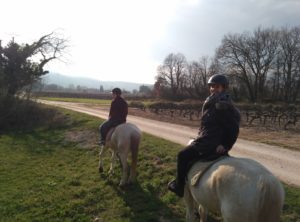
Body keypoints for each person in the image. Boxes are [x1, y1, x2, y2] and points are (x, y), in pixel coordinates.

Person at [167, 74, 241, 197]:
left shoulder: (223, 105)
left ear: (224, 88)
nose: (213, 89)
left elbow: (233, 128)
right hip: (207, 138)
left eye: (217, 86)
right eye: (211, 86)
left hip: (209, 143)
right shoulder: (213, 101)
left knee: (182, 155)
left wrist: (225, 145)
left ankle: (179, 186)